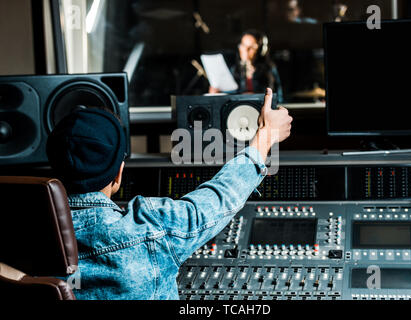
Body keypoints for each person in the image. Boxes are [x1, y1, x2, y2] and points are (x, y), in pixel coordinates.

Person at [46, 88, 292, 300]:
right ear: (119, 173)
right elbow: (220, 197)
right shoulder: (149, 227)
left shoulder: (23, 233)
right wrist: (265, 136)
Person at [209, 30, 284, 102]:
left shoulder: (269, 69)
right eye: (243, 45)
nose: (246, 50)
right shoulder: (235, 69)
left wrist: (254, 97)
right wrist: (217, 93)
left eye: (251, 47)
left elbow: (278, 97)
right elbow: (230, 95)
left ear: (261, 50)